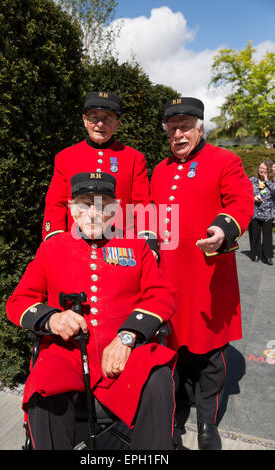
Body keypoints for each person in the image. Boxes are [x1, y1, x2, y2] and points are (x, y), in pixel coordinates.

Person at [6, 172, 177, 450]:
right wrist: (52, 319)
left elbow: (162, 295)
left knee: (158, 379)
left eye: (103, 204)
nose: (94, 213)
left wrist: (127, 337)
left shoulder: (137, 246)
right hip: (67, 352)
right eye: (85, 204)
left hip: (126, 352)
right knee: (44, 386)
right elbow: (18, 301)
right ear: (72, 209)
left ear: (117, 208)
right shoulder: (52, 249)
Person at [150, 97, 254, 450]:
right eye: (172, 127)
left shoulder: (226, 161)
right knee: (172, 349)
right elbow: (152, 212)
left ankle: (208, 423)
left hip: (209, 274)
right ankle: (174, 416)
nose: (178, 134)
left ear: (200, 128)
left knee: (210, 355)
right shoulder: (160, 169)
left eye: (185, 126)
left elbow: (240, 202)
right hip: (168, 277)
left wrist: (225, 228)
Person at [42, 91, 157, 255]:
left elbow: (142, 205)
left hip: (120, 249)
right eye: (94, 118)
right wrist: (55, 242)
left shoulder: (134, 159)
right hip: (74, 248)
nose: (100, 124)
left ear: (117, 124)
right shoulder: (66, 158)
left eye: (107, 118)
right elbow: (56, 204)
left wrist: (148, 244)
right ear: (85, 120)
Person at [248, 160, 275, 265]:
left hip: (268, 213)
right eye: (260, 168)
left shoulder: (272, 180)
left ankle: (267, 256)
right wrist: (253, 198)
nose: (261, 170)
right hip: (255, 212)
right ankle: (255, 254)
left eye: (264, 168)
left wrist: (266, 180)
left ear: (268, 169)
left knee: (268, 235)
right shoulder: (253, 180)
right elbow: (246, 192)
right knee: (254, 234)